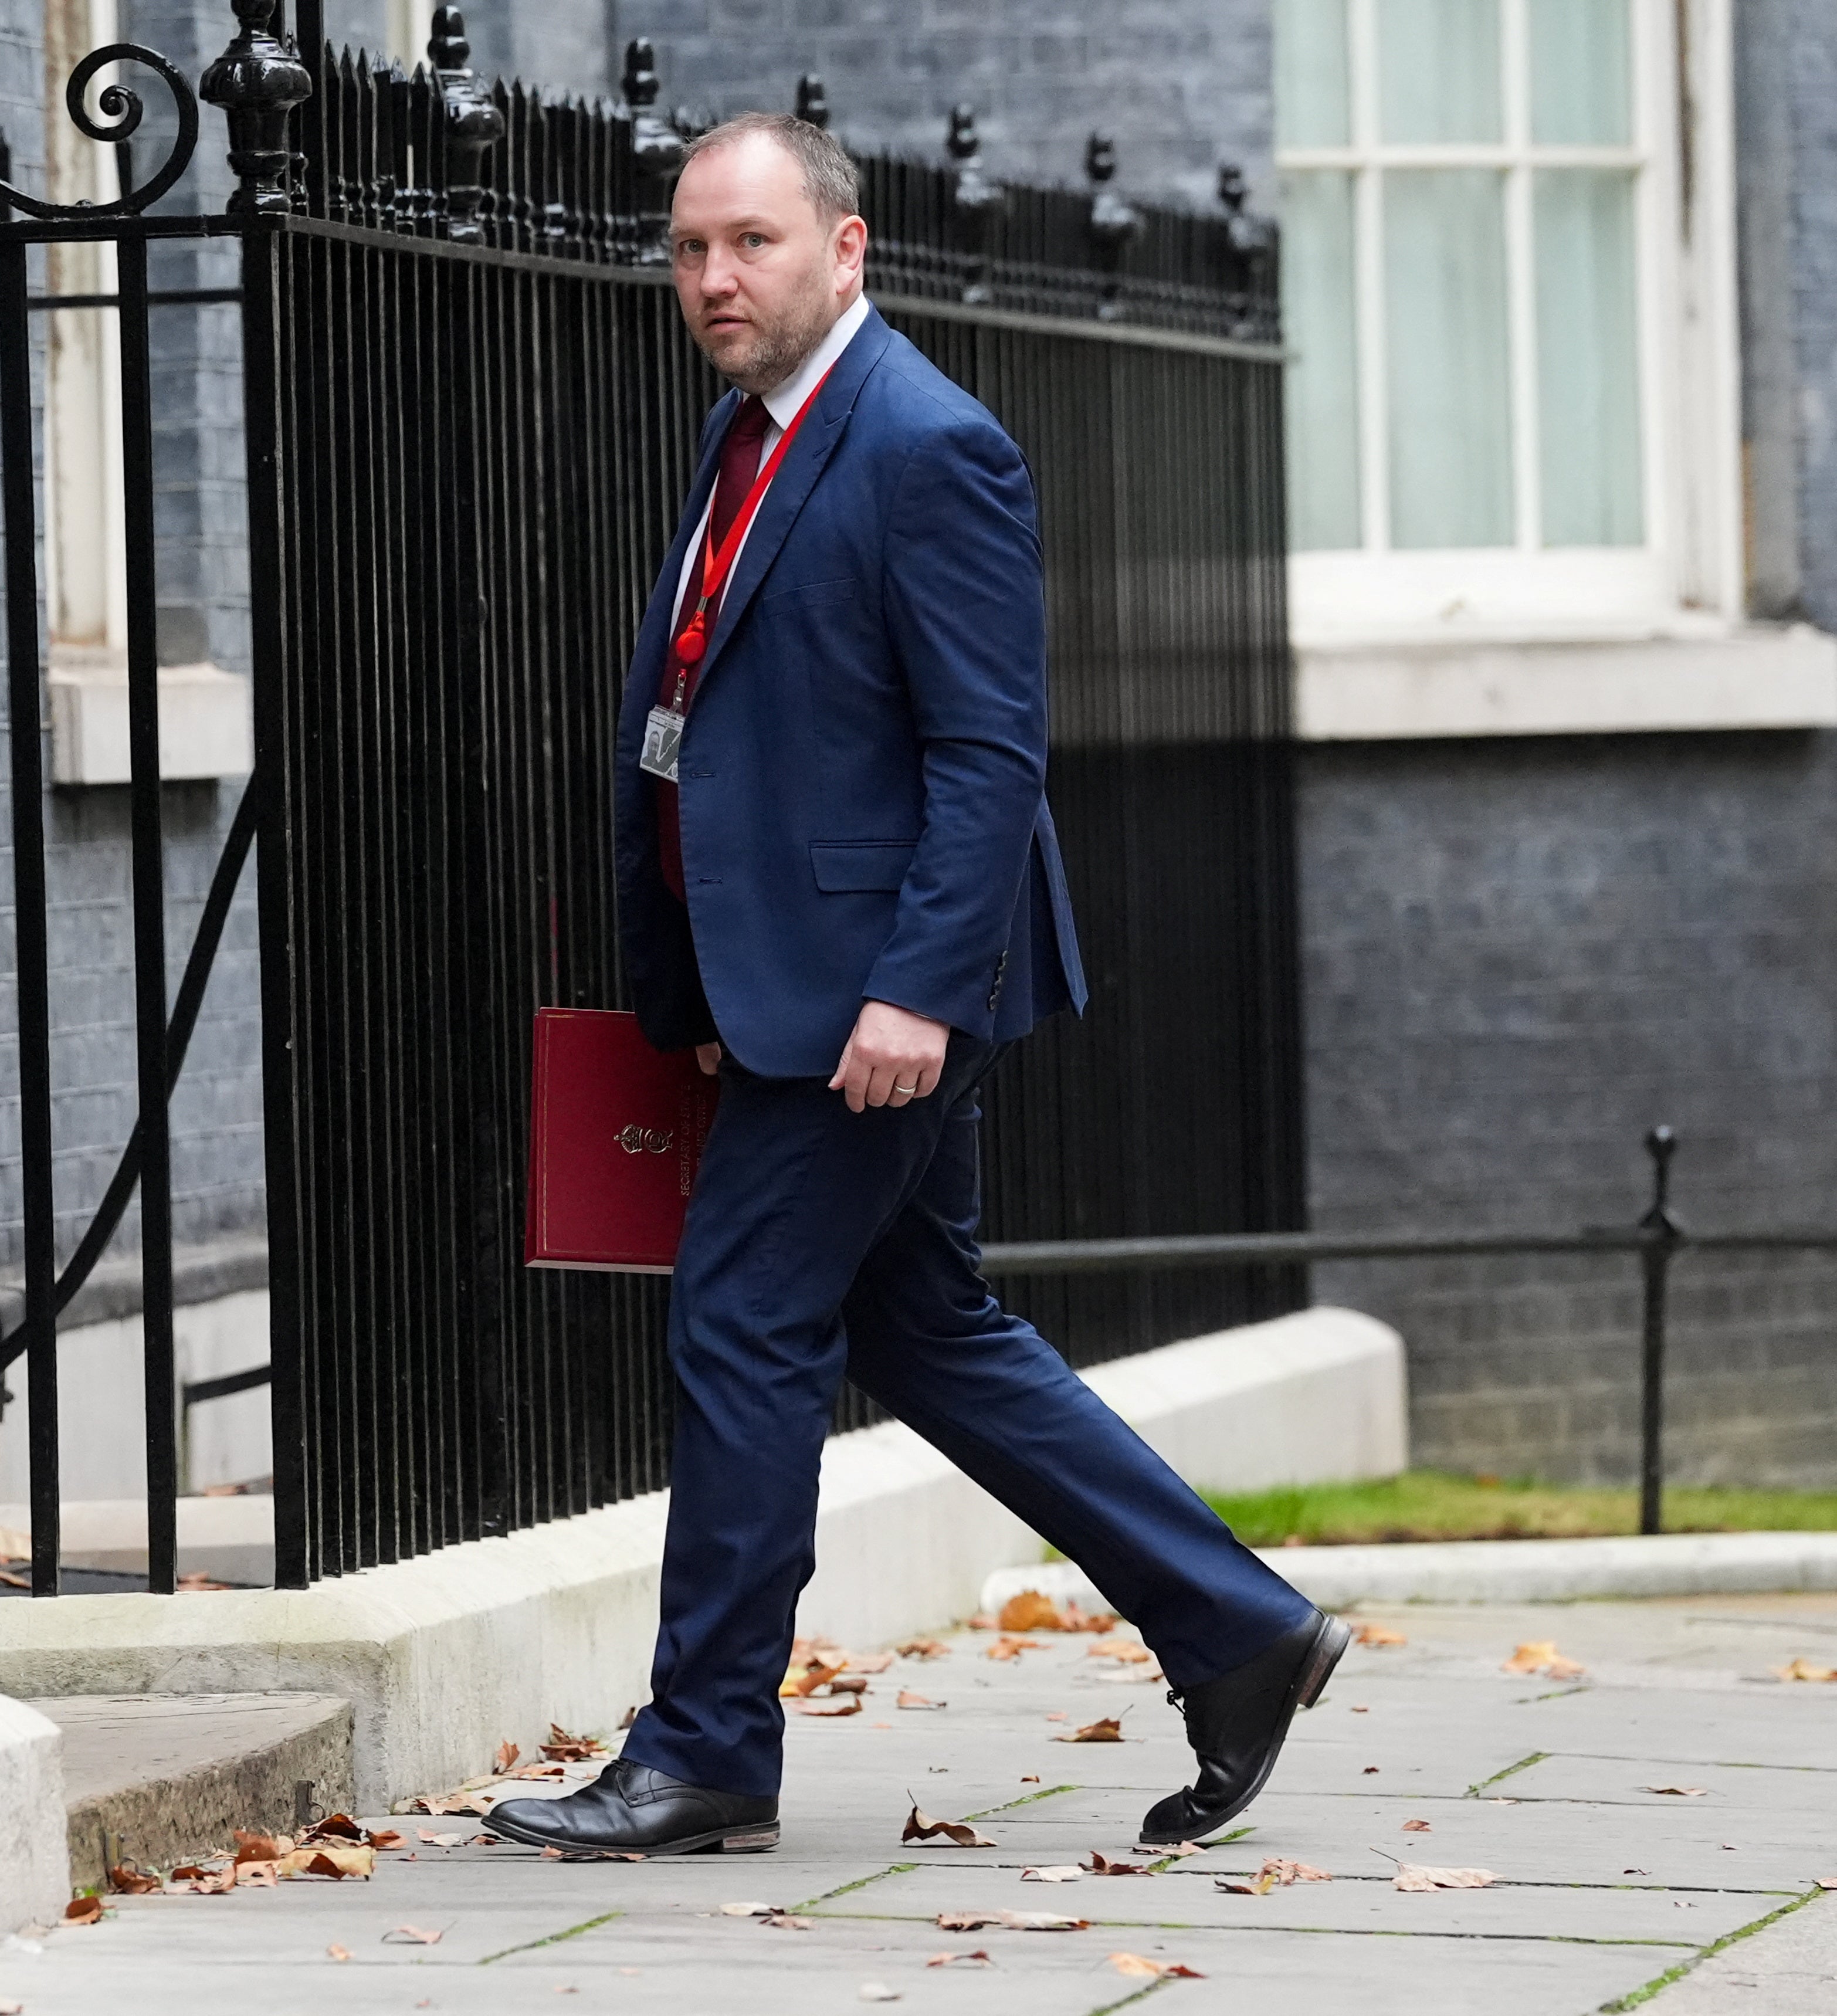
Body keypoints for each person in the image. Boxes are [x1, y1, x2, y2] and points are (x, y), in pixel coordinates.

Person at [484, 112, 1347, 1860]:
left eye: (752, 244)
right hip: (800, 984)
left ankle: (705, 1745)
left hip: (876, 1005)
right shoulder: (750, 436)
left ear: (845, 250)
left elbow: (986, 754)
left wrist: (909, 997)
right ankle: (1241, 1632)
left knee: (738, 1323)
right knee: (926, 1329)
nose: (715, 279)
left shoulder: (928, 443)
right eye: (689, 252)